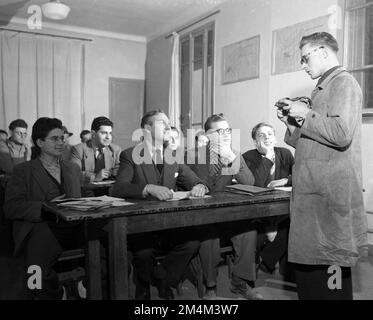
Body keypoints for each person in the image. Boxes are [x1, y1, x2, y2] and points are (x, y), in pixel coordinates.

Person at [276, 32, 367, 300]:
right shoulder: (322, 89)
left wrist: (304, 113)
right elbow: (311, 145)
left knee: (331, 274)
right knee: (311, 278)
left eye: (305, 58)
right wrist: (290, 122)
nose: (303, 65)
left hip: (329, 202)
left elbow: (341, 133)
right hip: (314, 199)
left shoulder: (344, 83)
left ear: (323, 52)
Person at [112, 109, 207, 300]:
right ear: (147, 128)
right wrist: (147, 188)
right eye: (162, 123)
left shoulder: (172, 154)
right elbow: (118, 189)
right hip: (141, 226)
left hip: (169, 223)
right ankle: (144, 286)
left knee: (192, 244)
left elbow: (195, 180)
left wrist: (199, 186)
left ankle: (162, 277)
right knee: (144, 253)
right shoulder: (130, 155)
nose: (169, 126)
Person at [3, 117, 83, 299]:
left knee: (113, 246)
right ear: (39, 142)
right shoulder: (23, 171)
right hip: (42, 227)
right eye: (55, 139)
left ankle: (83, 285)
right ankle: (49, 293)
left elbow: (86, 195)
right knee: (35, 267)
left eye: (63, 138)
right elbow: (11, 207)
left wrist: (94, 203)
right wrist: (45, 207)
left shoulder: (72, 168)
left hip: (75, 226)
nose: (61, 142)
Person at [187, 113, 263, 300]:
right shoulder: (194, 154)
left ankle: (240, 284)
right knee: (208, 235)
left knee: (249, 231)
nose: (227, 134)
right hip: (202, 215)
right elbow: (203, 185)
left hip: (228, 215)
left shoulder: (234, 154)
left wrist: (231, 158)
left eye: (228, 129)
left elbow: (250, 182)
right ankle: (210, 286)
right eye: (220, 131)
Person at [243, 122, 294, 276]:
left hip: (282, 207)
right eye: (261, 135)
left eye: (270, 134)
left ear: (276, 138)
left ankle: (267, 261)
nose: (266, 137)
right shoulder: (248, 157)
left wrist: (286, 180)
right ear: (254, 141)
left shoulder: (285, 153)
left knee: (294, 224)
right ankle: (270, 233)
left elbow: (299, 174)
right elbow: (255, 184)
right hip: (258, 209)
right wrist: (268, 158)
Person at [70, 117, 121, 185]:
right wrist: (94, 177)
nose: (108, 137)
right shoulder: (78, 149)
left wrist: (115, 172)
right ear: (93, 134)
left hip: (110, 191)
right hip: (87, 192)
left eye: (110, 133)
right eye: (104, 133)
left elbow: (119, 171)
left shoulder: (115, 149)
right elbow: (74, 173)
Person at [0, 119, 31, 187]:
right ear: (11, 132)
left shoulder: (27, 148)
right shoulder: (3, 146)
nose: (22, 136)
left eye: (24, 133)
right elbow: (10, 170)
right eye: (19, 133)